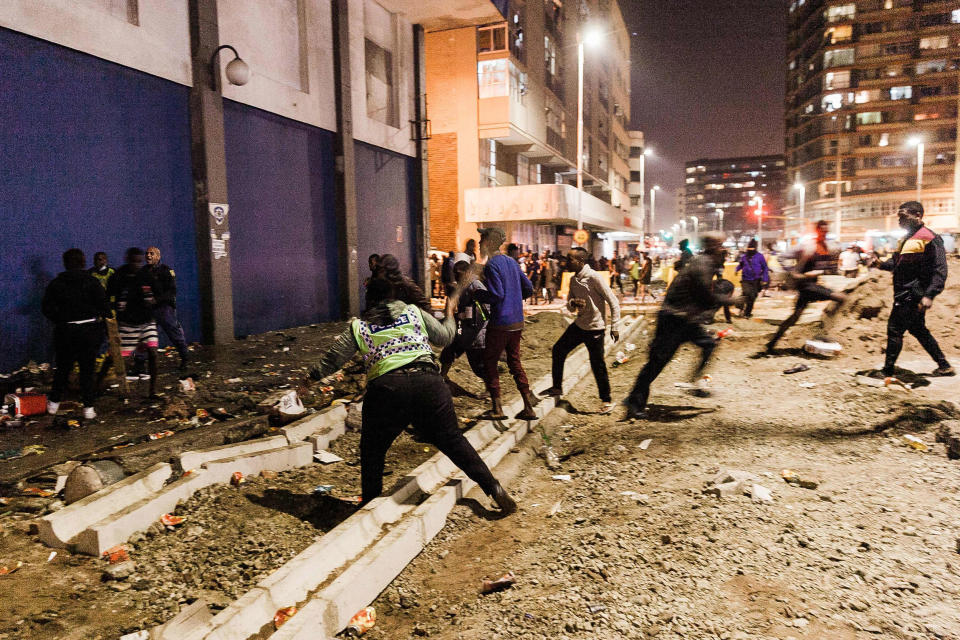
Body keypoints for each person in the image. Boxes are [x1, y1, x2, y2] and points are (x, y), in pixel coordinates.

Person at [307, 271, 516, 513]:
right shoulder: (412, 312)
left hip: (387, 389)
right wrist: (449, 313)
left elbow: (332, 359)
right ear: (394, 296)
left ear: (370, 299)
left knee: (373, 450)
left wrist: (306, 381)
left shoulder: (359, 326)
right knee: (454, 441)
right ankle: (493, 488)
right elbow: (446, 337)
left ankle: (370, 506)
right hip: (429, 384)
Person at [625, 233, 740, 419]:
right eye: (720, 245)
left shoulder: (705, 262)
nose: (723, 249)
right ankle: (634, 401)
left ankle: (694, 382)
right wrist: (730, 300)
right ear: (712, 246)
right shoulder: (702, 263)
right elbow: (705, 294)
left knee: (709, 344)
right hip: (674, 318)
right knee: (657, 362)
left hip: (686, 319)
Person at [873, 201, 953, 377]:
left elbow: (940, 270)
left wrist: (930, 294)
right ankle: (944, 365)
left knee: (894, 329)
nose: (900, 221)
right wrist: (879, 264)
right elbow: (896, 263)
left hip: (913, 294)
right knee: (917, 329)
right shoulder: (905, 239)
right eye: (899, 217)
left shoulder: (930, 238)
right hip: (903, 291)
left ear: (918, 215)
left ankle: (887, 371)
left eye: (903, 216)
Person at [542, 247, 620, 413]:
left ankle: (606, 400)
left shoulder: (594, 277)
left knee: (597, 364)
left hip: (595, 328)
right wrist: (573, 304)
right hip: (580, 325)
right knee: (558, 350)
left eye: (570, 259)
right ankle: (557, 387)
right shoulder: (573, 280)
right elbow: (570, 306)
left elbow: (613, 301)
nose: (566, 262)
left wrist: (615, 326)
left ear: (580, 261)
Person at [42, 249, 110, 419]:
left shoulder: (56, 283)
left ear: (65, 263)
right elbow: (105, 307)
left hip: (66, 331)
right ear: (83, 262)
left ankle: (53, 404)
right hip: (89, 331)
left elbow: (47, 309)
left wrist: (61, 320)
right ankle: (88, 408)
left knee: (63, 368)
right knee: (87, 370)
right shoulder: (92, 282)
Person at [478, 227, 538, 420]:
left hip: (500, 323)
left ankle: (497, 409)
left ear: (487, 243)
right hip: (517, 322)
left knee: (489, 362)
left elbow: (496, 295)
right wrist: (515, 300)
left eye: (481, 241)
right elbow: (528, 287)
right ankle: (528, 407)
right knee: (515, 363)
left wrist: (478, 295)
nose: (479, 245)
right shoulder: (511, 262)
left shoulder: (491, 265)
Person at [765, 220, 846, 353]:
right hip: (805, 285)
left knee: (794, 317)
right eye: (822, 230)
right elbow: (782, 257)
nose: (825, 233)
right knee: (841, 298)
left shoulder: (826, 247)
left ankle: (771, 344)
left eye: (826, 231)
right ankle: (824, 329)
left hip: (812, 284)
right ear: (817, 230)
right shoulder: (806, 246)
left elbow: (826, 266)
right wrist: (793, 272)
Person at [107, 248, 160, 396]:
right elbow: (107, 295)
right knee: (115, 357)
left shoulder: (145, 275)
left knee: (153, 353)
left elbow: (158, 292)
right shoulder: (118, 276)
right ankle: (97, 385)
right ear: (127, 259)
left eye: (139, 261)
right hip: (127, 323)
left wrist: (154, 301)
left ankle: (152, 391)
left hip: (146, 321)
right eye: (133, 261)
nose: (136, 264)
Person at [439, 260, 489, 381]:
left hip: (476, 332)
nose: (456, 277)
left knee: (478, 365)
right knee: (449, 349)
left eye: (458, 274)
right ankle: (442, 376)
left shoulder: (476, 285)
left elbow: (486, 309)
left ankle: (492, 389)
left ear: (467, 273)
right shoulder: (463, 287)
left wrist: (467, 315)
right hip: (465, 330)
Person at [142, 246, 189, 370]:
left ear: (158, 256)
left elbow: (172, 291)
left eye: (151, 254)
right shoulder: (143, 272)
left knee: (174, 334)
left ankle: (185, 359)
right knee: (145, 336)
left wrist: (157, 300)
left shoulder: (166, 271)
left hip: (164, 309)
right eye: (146, 253)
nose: (148, 256)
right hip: (149, 310)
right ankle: (139, 364)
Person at [735, 238, 769, 319]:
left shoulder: (760, 256)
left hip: (756, 280)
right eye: (749, 249)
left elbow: (765, 268)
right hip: (745, 279)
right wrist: (737, 269)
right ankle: (740, 307)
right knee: (747, 294)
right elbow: (741, 265)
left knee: (753, 297)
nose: (750, 251)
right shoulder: (744, 256)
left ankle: (747, 313)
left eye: (752, 249)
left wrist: (765, 279)